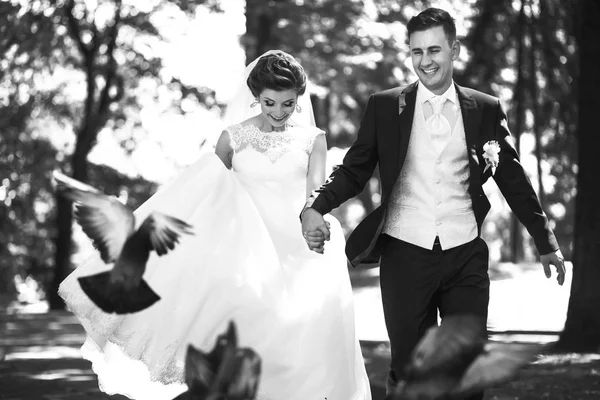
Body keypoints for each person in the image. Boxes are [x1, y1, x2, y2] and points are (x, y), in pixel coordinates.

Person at [58, 50, 372, 400]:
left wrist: (314, 223)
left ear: (299, 99)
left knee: (303, 344)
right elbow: (203, 188)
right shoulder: (233, 137)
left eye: (288, 104)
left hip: (297, 247)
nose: (279, 113)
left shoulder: (313, 139)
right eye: (270, 103)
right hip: (244, 251)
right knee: (251, 334)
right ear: (256, 97)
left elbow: (315, 192)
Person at [300, 7, 567, 400]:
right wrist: (315, 206)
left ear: (454, 50)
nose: (425, 61)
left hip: (465, 255)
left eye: (434, 50)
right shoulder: (385, 107)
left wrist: (546, 241)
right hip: (405, 256)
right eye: (416, 52)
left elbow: (513, 179)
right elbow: (354, 170)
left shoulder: (486, 108)